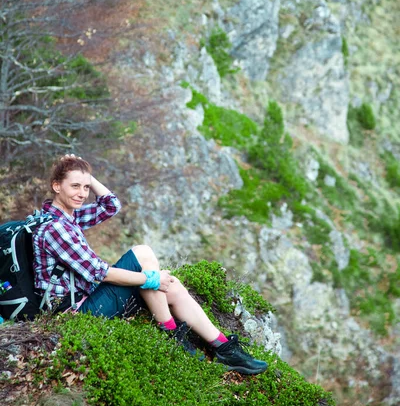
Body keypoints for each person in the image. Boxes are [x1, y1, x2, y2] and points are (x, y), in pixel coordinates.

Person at [33, 155, 268, 375]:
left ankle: (224, 349)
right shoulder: (55, 229)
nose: (83, 193)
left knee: (171, 285)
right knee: (144, 256)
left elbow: (110, 205)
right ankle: (171, 335)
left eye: (85, 188)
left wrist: (85, 174)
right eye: (75, 186)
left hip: (86, 297)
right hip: (74, 314)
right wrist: (151, 279)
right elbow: (99, 272)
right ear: (57, 186)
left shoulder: (68, 217)